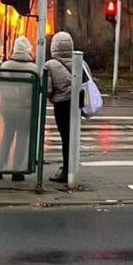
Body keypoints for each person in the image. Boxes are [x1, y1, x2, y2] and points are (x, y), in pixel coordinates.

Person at [0, 36, 39, 182]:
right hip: (25, 109)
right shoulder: (33, 69)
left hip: (8, 108)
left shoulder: (5, 66)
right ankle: (17, 171)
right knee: (21, 138)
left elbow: (0, 86)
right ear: (28, 50)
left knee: (6, 136)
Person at [44, 31, 80, 184]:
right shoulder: (80, 61)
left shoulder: (50, 64)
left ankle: (66, 171)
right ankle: (71, 167)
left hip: (61, 105)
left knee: (65, 137)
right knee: (73, 137)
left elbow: (48, 89)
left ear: (54, 47)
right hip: (77, 104)